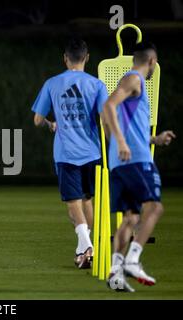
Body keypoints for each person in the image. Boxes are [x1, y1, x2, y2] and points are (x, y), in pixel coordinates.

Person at [103, 42, 175, 292]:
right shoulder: (135, 79)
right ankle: (132, 261)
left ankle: (115, 272)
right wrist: (121, 142)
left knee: (131, 218)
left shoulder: (132, 86)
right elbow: (107, 106)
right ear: (152, 61)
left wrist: (154, 139)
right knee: (155, 208)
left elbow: (114, 119)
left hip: (121, 162)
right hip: (136, 161)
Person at [32, 38, 108, 268]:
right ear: (87, 58)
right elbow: (106, 120)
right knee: (87, 199)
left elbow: (37, 120)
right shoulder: (96, 85)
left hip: (66, 153)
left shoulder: (52, 83)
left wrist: (51, 124)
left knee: (73, 202)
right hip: (92, 152)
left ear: (65, 59)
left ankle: (86, 245)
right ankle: (86, 249)